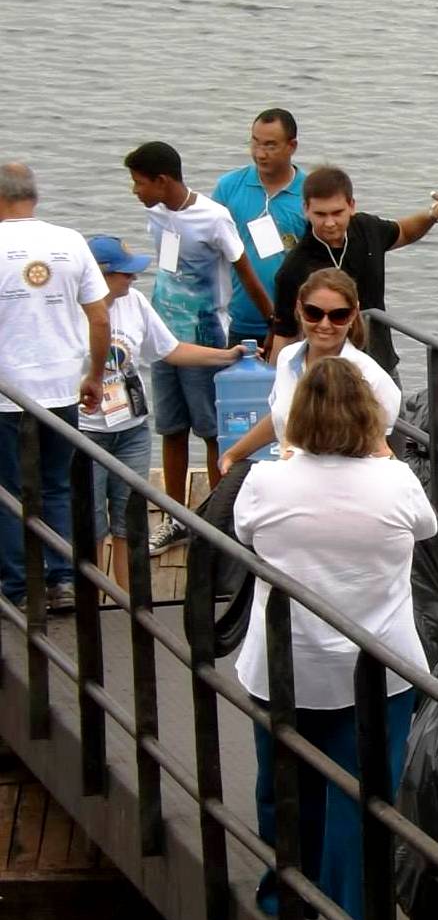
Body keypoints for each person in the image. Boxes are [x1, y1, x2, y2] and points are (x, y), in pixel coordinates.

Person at [233, 356, 435, 920]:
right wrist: (382, 456)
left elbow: (246, 533)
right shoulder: (397, 482)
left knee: (284, 784)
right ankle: (356, 917)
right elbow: (425, 529)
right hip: (379, 669)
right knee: (366, 792)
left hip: (285, 663)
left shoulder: (267, 481)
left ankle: (287, 888)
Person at [124, 140, 273, 554]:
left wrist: (272, 320)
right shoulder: (154, 213)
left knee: (210, 431)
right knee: (171, 428)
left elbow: (243, 267)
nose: (134, 191)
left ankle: (216, 519)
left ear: (163, 180)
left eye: (139, 183)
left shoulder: (213, 217)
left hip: (205, 336)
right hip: (162, 338)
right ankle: (176, 517)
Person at [80, 235, 241, 589]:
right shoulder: (69, 310)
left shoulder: (134, 302)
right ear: (100, 276)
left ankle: (127, 598)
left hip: (132, 428)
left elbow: (168, 349)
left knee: (129, 518)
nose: (133, 279)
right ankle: (89, 600)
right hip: (86, 430)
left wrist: (225, 356)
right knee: (90, 520)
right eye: (125, 273)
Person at [0, 162, 110, 612]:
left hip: (7, 393)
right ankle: (63, 578)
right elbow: (100, 318)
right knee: (56, 487)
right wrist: (95, 376)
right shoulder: (70, 242)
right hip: (62, 388)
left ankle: (20, 586)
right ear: (35, 197)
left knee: (8, 491)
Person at [269, 165, 438, 377]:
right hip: (328, 375)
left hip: (381, 364)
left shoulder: (367, 228)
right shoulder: (293, 269)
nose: (330, 223)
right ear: (306, 209)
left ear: (351, 206)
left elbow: (403, 232)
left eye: (337, 213)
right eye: (320, 214)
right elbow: (285, 336)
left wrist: (433, 214)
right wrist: (272, 388)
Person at [219, 268, 401, 473]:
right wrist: (234, 454)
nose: (324, 325)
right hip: (287, 478)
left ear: (353, 314)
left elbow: (379, 454)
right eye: (313, 313)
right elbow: (281, 418)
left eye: (338, 316)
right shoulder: (287, 359)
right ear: (299, 308)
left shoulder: (373, 379)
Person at [212, 108, 306, 346]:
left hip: (293, 326)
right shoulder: (228, 187)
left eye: (270, 146)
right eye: (255, 143)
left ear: (292, 146)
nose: (260, 154)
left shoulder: (309, 193)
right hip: (238, 322)